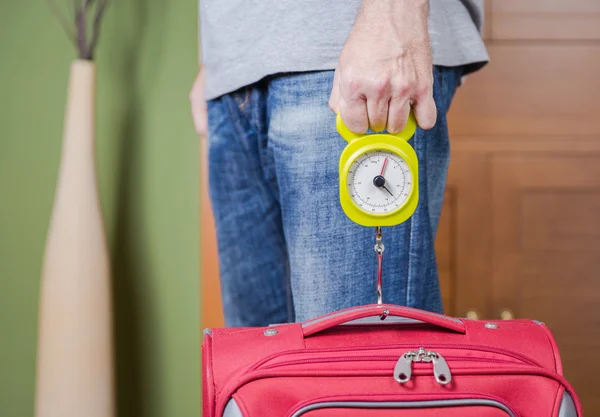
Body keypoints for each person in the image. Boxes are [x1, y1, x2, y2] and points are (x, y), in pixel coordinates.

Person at [190, 0, 488, 326]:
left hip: (353, 56)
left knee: (360, 362)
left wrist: (393, 18)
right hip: (232, 70)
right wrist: (218, 54)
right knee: (259, 363)